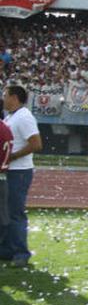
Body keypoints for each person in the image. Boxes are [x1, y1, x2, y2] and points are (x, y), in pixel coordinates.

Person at [2, 85, 43, 267]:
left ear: (14, 97)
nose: (3, 98)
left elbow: (36, 144)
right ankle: (8, 249)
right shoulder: (12, 116)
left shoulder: (24, 117)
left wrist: (12, 156)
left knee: (16, 212)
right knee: (7, 212)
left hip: (19, 171)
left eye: (5, 95)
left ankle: (21, 252)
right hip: (11, 170)